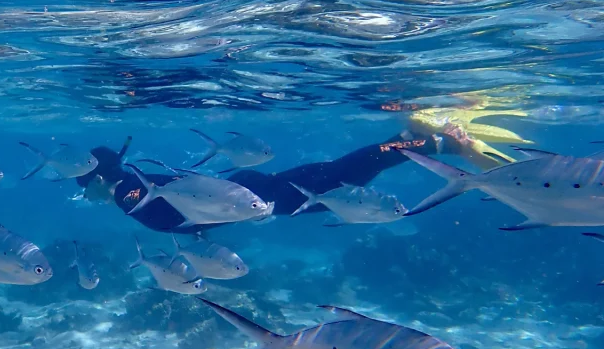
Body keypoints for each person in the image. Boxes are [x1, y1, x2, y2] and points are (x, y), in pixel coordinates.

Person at [76, 103, 531, 234]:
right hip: (255, 190)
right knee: (346, 174)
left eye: (83, 185)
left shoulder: (127, 194)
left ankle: (436, 138)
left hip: (270, 195)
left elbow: (174, 209)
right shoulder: (130, 184)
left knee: (347, 177)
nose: (84, 195)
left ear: (97, 177)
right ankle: (423, 138)